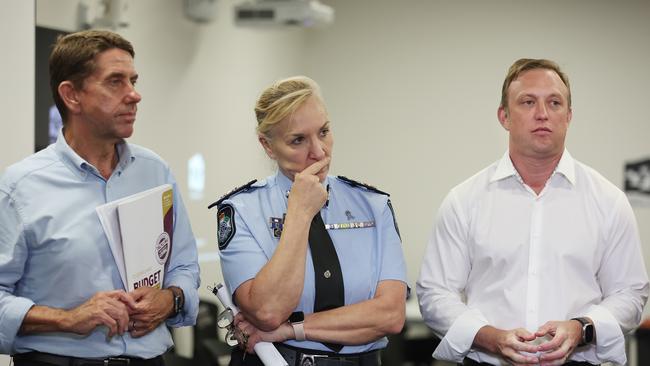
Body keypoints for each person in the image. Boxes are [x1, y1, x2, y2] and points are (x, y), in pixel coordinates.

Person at [417, 58, 649, 366]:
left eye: (554, 103)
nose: (542, 114)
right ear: (504, 116)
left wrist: (582, 329)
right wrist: (489, 336)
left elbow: (630, 294)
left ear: (568, 116)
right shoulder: (464, 200)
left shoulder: (608, 201)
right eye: (528, 102)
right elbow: (435, 294)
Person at [0, 30, 200, 364]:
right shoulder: (22, 186)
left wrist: (171, 298)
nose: (134, 95)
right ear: (71, 95)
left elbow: (183, 265)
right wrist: (67, 319)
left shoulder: (155, 172)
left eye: (133, 80)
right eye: (115, 82)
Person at [209, 76, 408, 365]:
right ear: (267, 145)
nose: (319, 151)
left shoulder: (373, 205)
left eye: (324, 132)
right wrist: (300, 213)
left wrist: (291, 329)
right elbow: (267, 312)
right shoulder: (241, 209)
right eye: (298, 140)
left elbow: (390, 316)